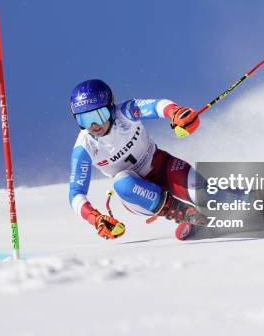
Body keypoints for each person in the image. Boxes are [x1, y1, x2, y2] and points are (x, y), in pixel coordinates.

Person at [68, 79, 207, 241]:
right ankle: (186, 214)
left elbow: (157, 106)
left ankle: (237, 204)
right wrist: (95, 218)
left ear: (111, 108)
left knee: (210, 196)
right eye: (84, 120)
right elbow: (75, 194)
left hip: (162, 167)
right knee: (122, 181)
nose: (93, 125)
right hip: (137, 196)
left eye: (99, 115)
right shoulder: (84, 148)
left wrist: (174, 112)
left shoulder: (125, 113)